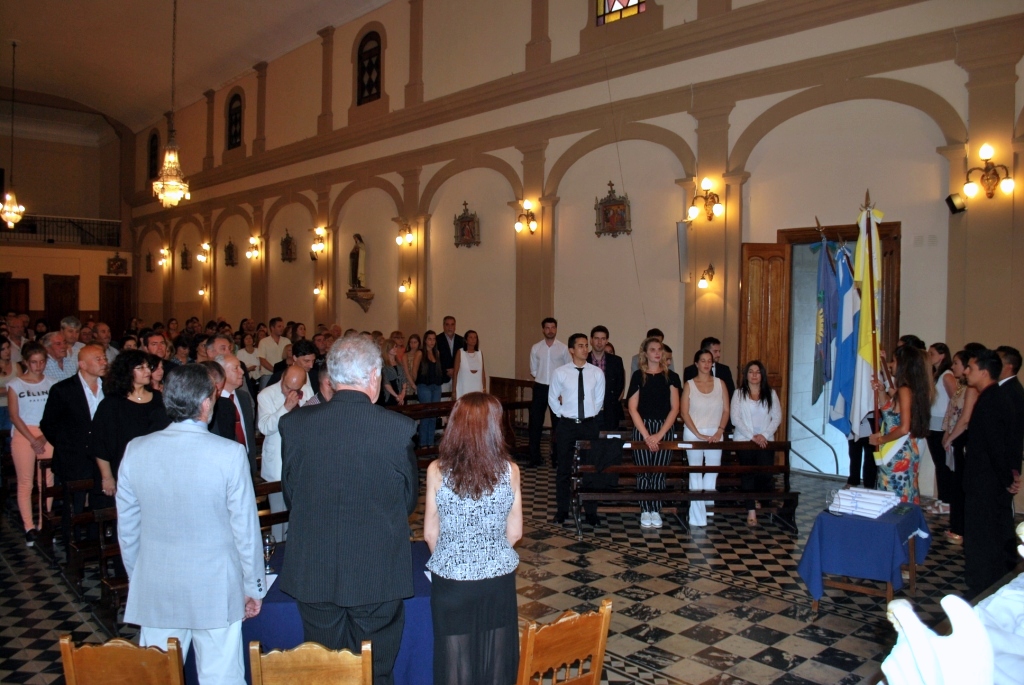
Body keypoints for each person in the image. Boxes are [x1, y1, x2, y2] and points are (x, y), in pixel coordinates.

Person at [278, 335, 418, 684]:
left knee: (326, 674)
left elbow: (291, 495)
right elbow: (407, 501)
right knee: (374, 672)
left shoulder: (295, 425)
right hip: (376, 573)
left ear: (332, 378)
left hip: (315, 571)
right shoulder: (397, 429)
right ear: (374, 377)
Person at [116, 363, 265, 684]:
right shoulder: (229, 453)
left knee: (158, 678)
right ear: (206, 402)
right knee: (220, 677)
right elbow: (246, 531)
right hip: (215, 586)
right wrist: (252, 585)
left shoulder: (136, 450)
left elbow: (128, 530)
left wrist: (139, 575)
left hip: (156, 584)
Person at [424, 393, 523, 685]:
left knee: (456, 663)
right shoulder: (511, 471)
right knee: (496, 663)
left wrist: (455, 558)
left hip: (452, 584)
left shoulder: (437, 471)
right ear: (495, 427)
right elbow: (515, 532)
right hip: (497, 582)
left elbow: (431, 533)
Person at [961, 350, 1022, 598]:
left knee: (982, 535)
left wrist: (1009, 478)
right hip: (988, 480)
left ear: (984, 372)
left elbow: (997, 446)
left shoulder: (991, 401)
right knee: (988, 532)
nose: (966, 371)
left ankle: (982, 585)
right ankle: (985, 580)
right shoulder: (993, 397)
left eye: (971, 367)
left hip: (985, 483)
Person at [39, 343, 108, 545]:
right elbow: (48, 424)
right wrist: (69, 448)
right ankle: (72, 551)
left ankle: (97, 547)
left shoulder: (110, 387)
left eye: (104, 358)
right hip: (74, 460)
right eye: (98, 359)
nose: (104, 362)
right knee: (75, 508)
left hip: (101, 458)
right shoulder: (63, 390)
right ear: (82, 365)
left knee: (100, 506)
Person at [88, 350, 170, 507]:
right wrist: (107, 477)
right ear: (126, 371)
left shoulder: (159, 399)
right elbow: (100, 442)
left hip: (153, 471)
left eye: (148, 366)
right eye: (141, 367)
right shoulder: (112, 404)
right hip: (122, 470)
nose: (147, 371)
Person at [548, 334, 605, 525]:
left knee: (591, 469)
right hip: (567, 425)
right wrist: (562, 413)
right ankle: (562, 510)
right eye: (580, 346)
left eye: (586, 345)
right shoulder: (560, 372)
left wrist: (588, 415)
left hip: (589, 424)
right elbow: (552, 397)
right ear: (571, 350)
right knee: (563, 469)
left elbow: (598, 400)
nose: (585, 349)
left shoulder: (596, 373)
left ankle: (591, 512)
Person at [626, 337, 682, 529]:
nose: (657, 353)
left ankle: (655, 509)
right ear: (645, 353)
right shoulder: (638, 376)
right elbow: (632, 408)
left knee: (659, 472)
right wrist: (646, 435)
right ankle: (645, 510)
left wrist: (658, 435)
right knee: (643, 473)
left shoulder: (672, 377)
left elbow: (675, 408)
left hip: (664, 428)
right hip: (643, 428)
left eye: (660, 350)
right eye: (653, 349)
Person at [869, 345, 932, 503]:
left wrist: (881, 440)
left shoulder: (905, 390)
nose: (891, 365)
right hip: (899, 449)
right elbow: (891, 415)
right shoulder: (910, 389)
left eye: (895, 361)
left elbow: (904, 427)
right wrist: (882, 391)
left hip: (898, 451)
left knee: (896, 497)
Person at [258, 365, 313, 541]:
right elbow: (265, 427)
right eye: (287, 387)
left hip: (301, 460)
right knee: (278, 516)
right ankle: (276, 550)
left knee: (298, 514)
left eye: (296, 389)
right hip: (277, 464)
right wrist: (285, 408)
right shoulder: (266, 395)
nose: (290, 391)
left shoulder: (307, 391)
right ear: (282, 378)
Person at [6, 342, 54, 546]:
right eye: (34, 362)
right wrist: (32, 439)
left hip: (46, 433)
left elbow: (55, 414)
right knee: (26, 482)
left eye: (42, 362)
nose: (39, 366)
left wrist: (43, 437)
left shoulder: (52, 383)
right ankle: (29, 527)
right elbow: (14, 416)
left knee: (47, 482)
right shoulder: (16, 385)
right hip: (24, 434)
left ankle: (45, 525)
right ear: (26, 362)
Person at [680, 348, 730, 527]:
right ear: (696, 364)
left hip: (716, 433)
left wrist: (719, 431)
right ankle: (696, 515)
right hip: (693, 432)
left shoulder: (720, 383)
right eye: (703, 360)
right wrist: (698, 433)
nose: (707, 364)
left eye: (709, 361)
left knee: (712, 471)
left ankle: (707, 505)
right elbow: (684, 412)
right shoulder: (689, 384)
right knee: (695, 472)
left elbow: (726, 409)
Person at [731, 360, 782, 527]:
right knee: (748, 473)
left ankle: (757, 497)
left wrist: (764, 435)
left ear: (762, 375)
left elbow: (777, 417)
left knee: (765, 473)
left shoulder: (771, 393)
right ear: (746, 375)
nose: (754, 375)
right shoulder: (739, 394)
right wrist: (752, 436)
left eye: (757, 372)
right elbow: (735, 418)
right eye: (751, 371)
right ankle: (751, 509)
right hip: (745, 440)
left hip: (765, 440)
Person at [941, 350, 976, 544]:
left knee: (960, 485)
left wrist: (951, 437)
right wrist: (947, 432)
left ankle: (960, 528)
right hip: (955, 436)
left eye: (956, 363)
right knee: (955, 482)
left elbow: (964, 418)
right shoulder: (962, 387)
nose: (953, 366)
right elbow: (952, 412)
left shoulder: (971, 389)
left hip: (962, 439)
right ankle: (956, 525)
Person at [529, 318, 570, 468]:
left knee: (557, 424)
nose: (550, 330)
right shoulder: (536, 348)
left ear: (556, 329)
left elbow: (568, 369)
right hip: (540, 387)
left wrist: (562, 390)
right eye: (547, 328)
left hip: (557, 389)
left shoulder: (563, 348)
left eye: (553, 327)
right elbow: (533, 369)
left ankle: (557, 458)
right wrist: (541, 377)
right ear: (543, 329)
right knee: (535, 424)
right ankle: (534, 458)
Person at [210, 354, 258, 476]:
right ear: (222, 373)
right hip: (224, 467)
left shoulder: (243, 397)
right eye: (236, 368)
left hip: (246, 463)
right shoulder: (212, 402)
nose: (242, 372)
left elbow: (248, 433)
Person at [925, 343, 956, 514]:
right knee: (939, 463)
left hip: (941, 425)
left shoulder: (947, 376)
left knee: (944, 465)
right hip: (933, 424)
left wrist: (949, 428)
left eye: (932, 353)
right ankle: (942, 497)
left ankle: (947, 501)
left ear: (942, 355)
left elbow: (956, 401)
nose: (929, 356)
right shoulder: (936, 374)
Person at [588, 325, 625, 431]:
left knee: (609, 444)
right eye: (596, 338)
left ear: (607, 341)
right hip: (589, 411)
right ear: (591, 340)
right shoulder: (583, 360)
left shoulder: (616, 361)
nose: (599, 342)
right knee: (590, 444)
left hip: (610, 411)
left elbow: (620, 385)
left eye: (603, 339)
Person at [416, 330, 445, 446]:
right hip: (424, 386)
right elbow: (414, 371)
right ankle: (423, 445)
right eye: (429, 339)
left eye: (434, 339)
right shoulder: (420, 353)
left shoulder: (437, 352)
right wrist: (414, 385)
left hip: (436, 386)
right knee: (425, 415)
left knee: (433, 415)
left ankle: (431, 444)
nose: (432, 342)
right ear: (425, 340)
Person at [257, 317, 291, 389]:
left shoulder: (287, 341)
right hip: (268, 375)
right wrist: (275, 371)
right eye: (279, 326)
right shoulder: (264, 342)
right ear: (272, 328)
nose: (282, 328)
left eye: (282, 326)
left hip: (284, 375)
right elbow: (262, 360)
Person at [452, 330, 486, 399]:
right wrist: (454, 390)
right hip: (464, 386)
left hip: (477, 387)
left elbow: (482, 372)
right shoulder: (460, 352)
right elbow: (455, 373)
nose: (473, 339)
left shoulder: (479, 353)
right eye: (471, 337)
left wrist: (484, 388)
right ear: (466, 340)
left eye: (475, 337)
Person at [436, 316, 465, 385]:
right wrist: (446, 371)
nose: (450, 327)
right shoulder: (437, 340)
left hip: (458, 377)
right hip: (443, 378)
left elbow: (464, 359)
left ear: (455, 326)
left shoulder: (461, 340)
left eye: (452, 324)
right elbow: (435, 359)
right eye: (447, 324)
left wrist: (455, 370)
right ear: (443, 326)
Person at [381, 339, 409, 406]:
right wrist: (396, 396)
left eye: (395, 346)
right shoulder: (384, 365)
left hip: (400, 393)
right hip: (390, 394)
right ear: (387, 349)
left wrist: (403, 392)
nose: (395, 349)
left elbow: (404, 378)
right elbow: (386, 383)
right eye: (392, 347)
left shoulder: (399, 363)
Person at [0, 335, 15, 434]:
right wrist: (12, 389)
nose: (7, 351)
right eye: (3, 349)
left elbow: (23, 386)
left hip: (13, 406)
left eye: (8, 347)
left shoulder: (16, 366)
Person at [402, 333, 421, 399]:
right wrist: (412, 383)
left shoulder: (421, 354)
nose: (413, 345)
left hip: (419, 380)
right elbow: (406, 371)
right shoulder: (405, 355)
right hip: (408, 381)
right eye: (411, 342)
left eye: (415, 342)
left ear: (419, 343)